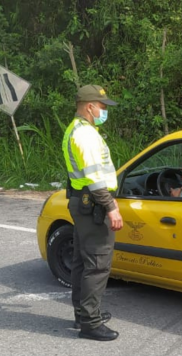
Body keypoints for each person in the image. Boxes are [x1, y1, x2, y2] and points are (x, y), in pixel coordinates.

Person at [62, 84, 123, 341]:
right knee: (97, 265)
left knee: (82, 262)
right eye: (102, 106)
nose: (104, 110)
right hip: (93, 205)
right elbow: (95, 177)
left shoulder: (77, 130)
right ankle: (90, 322)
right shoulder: (85, 135)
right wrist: (111, 206)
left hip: (82, 202)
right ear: (89, 106)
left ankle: (83, 314)